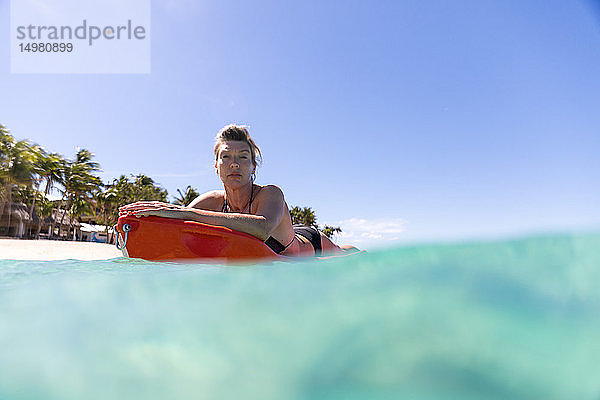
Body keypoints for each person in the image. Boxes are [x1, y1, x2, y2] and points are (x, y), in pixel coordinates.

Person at [119, 124, 353, 257]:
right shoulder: (212, 201)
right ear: (216, 166)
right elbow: (174, 226)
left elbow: (261, 228)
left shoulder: (271, 194)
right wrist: (144, 216)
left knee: (348, 257)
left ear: (253, 166)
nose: (234, 164)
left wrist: (186, 213)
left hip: (310, 245)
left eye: (243, 157)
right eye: (226, 157)